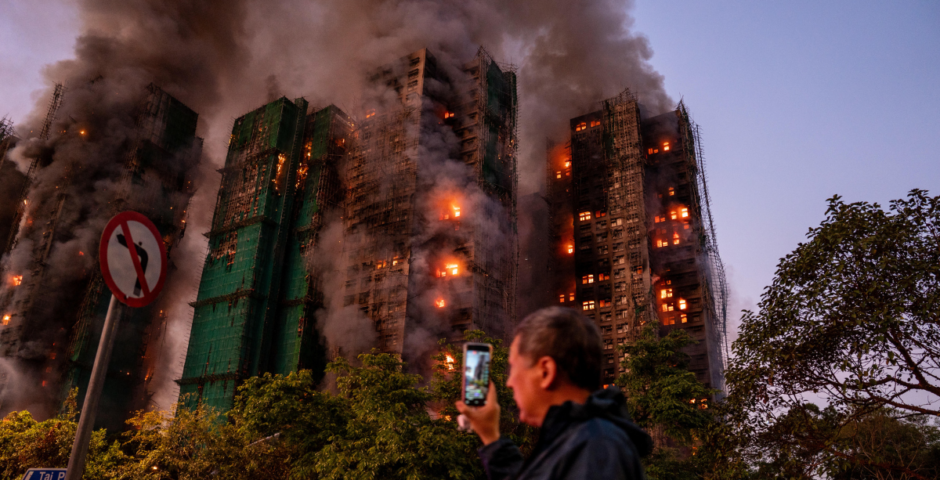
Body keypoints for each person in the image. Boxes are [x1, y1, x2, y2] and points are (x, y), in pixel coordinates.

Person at [456, 307, 653, 480]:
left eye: (514, 367)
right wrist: (490, 436)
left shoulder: (595, 449)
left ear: (546, 371)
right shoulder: (580, 441)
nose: (509, 383)